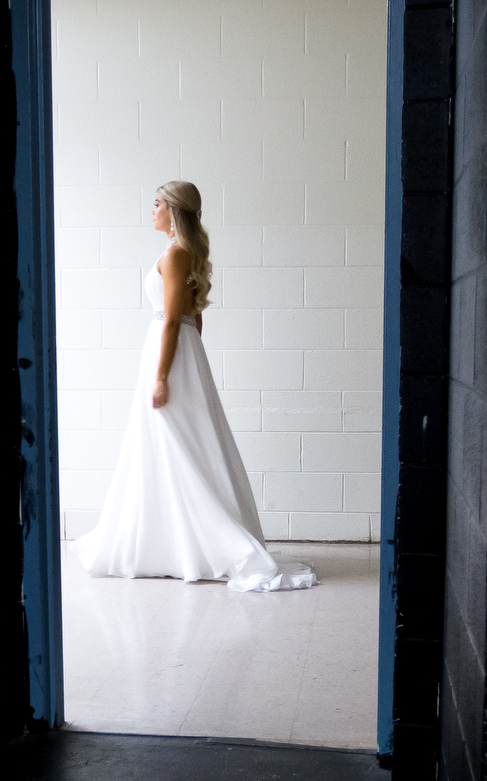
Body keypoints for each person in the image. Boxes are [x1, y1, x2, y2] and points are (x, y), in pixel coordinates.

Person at [69, 180, 315, 592]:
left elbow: (170, 319)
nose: (152, 211)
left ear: (173, 211)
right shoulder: (182, 253)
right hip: (179, 349)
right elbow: (194, 318)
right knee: (170, 443)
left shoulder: (177, 254)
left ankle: (200, 543)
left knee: (177, 442)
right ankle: (170, 543)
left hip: (169, 351)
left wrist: (163, 374)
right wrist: (185, 358)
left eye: (157, 204)